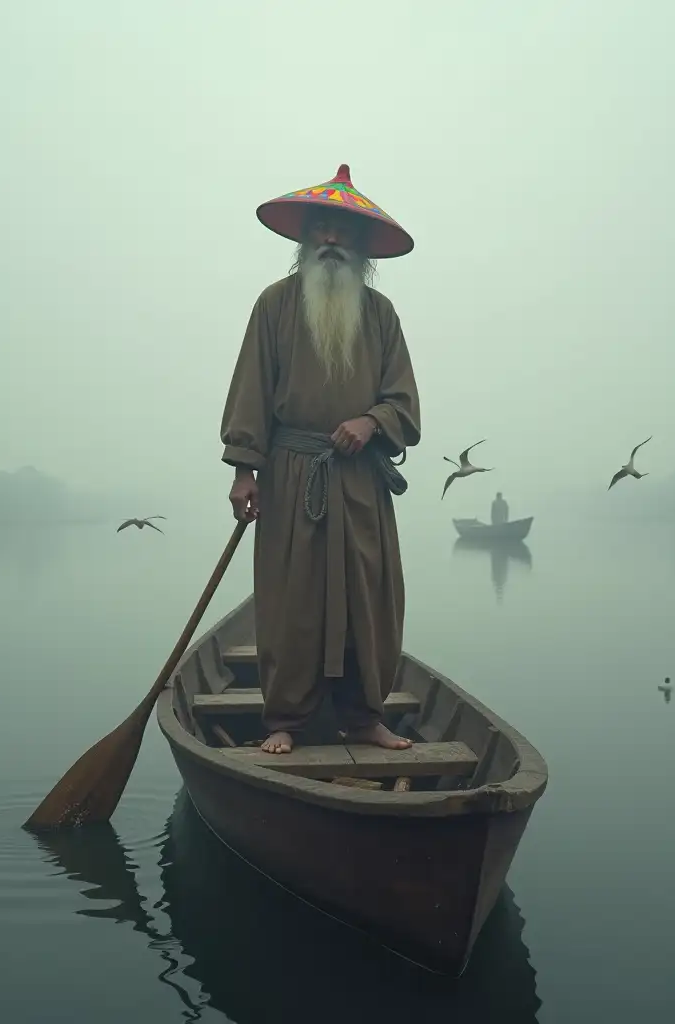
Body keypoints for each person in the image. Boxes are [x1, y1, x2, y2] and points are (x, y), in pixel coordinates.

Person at [219, 163, 421, 755]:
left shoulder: (381, 316)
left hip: (361, 485)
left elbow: (404, 404)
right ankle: (286, 719)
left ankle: (364, 718)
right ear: (304, 240)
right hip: (290, 478)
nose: (331, 240)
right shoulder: (274, 306)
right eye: (321, 229)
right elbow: (251, 389)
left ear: (361, 246)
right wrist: (243, 469)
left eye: (344, 231)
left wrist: (371, 422)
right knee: (293, 605)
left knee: (370, 601)